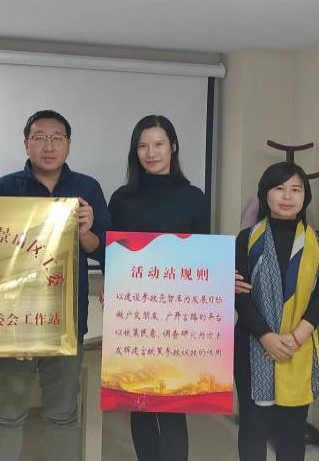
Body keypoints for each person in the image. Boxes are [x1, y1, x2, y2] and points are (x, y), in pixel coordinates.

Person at [107, 114, 250, 461]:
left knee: (173, 408)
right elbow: (116, 255)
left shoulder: (193, 197)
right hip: (137, 315)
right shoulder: (121, 199)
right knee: (139, 404)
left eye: (158, 144)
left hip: (179, 316)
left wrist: (220, 276)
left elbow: (200, 255)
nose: (151, 152)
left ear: (173, 147)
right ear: (134, 151)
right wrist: (112, 288)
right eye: (143, 145)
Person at [0, 109, 111, 461]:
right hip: (13, 320)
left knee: (63, 412)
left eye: (57, 138)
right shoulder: (4, 188)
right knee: (8, 411)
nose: (49, 146)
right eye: (39, 138)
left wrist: (86, 232)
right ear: (26, 144)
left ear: (69, 145)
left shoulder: (87, 188)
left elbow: (103, 251)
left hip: (66, 319)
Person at [234, 162, 319, 461]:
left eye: (295, 189)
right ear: (265, 194)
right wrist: (267, 337)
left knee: (291, 433)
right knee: (252, 430)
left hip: (297, 348)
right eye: (279, 188)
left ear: (305, 196)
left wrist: (295, 337)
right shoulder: (246, 239)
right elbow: (239, 295)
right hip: (252, 345)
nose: (287, 196)